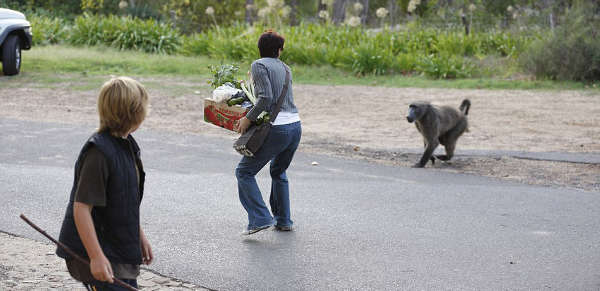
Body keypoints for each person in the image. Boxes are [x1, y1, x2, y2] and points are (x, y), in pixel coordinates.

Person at [56, 76, 153, 290]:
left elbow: (124, 201)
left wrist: (139, 236)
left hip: (118, 248)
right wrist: (96, 257)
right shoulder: (99, 154)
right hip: (96, 253)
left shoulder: (127, 146)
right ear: (134, 113)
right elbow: (81, 209)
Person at [234, 30, 302, 235]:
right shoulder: (286, 68)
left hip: (278, 129)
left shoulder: (259, 65)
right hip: (295, 127)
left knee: (244, 172)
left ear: (260, 48)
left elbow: (265, 98)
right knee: (278, 171)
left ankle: (259, 218)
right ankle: (283, 220)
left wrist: (247, 118)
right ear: (279, 51)